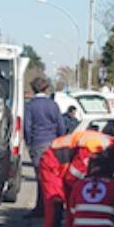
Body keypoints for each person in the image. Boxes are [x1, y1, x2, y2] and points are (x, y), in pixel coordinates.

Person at [39, 130, 114, 227]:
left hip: (62, 163)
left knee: (75, 211)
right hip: (52, 164)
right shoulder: (95, 147)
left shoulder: (105, 145)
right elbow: (73, 175)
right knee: (55, 207)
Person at [24, 77, 65, 218]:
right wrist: (59, 141)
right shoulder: (53, 105)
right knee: (52, 176)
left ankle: (41, 208)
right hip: (52, 143)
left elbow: (27, 127)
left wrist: (28, 143)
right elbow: (61, 125)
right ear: (46, 88)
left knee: (40, 177)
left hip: (38, 143)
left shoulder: (30, 106)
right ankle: (54, 204)